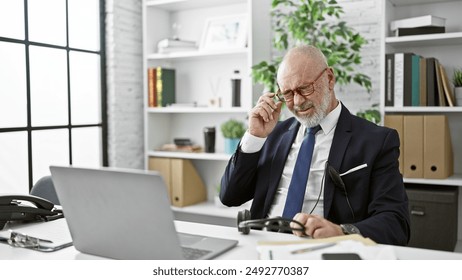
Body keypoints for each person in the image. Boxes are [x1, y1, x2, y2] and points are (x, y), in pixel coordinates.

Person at [220, 45, 410, 246]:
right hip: (263, 247)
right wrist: (254, 136)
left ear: (329, 78)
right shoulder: (272, 134)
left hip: (324, 252)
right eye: (288, 93)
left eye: (304, 89)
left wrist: (341, 232)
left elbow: (396, 223)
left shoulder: (376, 141)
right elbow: (230, 196)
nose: (297, 102)